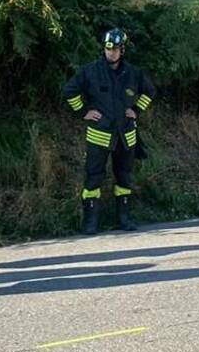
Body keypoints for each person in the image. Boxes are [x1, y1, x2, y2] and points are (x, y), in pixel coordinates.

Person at [62, 28, 156, 235]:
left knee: (124, 176)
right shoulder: (91, 71)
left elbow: (149, 91)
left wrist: (136, 110)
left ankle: (124, 219)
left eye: (115, 49)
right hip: (99, 134)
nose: (111, 53)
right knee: (93, 178)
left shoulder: (133, 73)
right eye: (108, 48)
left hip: (126, 134)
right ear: (104, 49)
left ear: (122, 50)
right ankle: (90, 222)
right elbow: (69, 91)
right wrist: (84, 111)